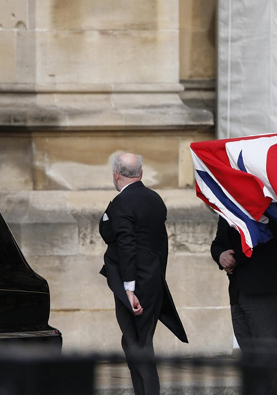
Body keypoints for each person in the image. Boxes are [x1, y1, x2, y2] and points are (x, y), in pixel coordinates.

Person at [99, 152, 187, 395]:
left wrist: (129, 288)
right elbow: (160, 245)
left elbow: (126, 246)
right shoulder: (155, 199)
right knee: (135, 342)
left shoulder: (121, 202)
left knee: (137, 344)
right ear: (141, 173)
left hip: (135, 283)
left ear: (116, 175)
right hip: (152, 281)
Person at [210, 216, 277, 395]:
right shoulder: (227, 206)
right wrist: (221, 256)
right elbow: (218, 243)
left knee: (268, 359)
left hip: (263, 293)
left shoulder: (265, 201)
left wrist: (234, 258)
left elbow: (265, 239)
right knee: (250, 360)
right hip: (237, 292)